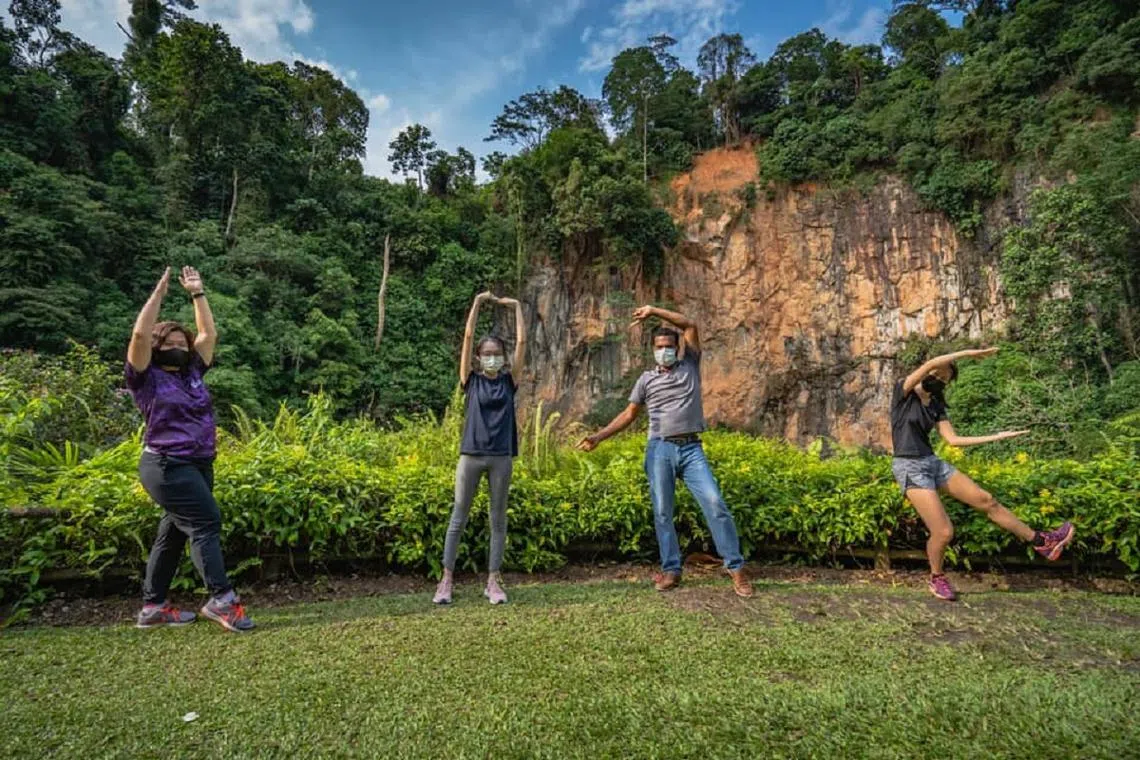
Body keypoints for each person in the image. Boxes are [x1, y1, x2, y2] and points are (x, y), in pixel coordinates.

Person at [577, 305, 753, 598]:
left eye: (669, 347)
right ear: (653, 350)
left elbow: (690, 324)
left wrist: (654, 311)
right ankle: (671, 569)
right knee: (662, 512)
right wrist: (599, 436)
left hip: (691, 449)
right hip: (659, 449)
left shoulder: (689, 365)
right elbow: (629, 414)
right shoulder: (646, 380)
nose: (664, 351)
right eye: (659, 347)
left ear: (676, 348)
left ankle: (736, 568)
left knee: (715, 502)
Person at [890, 347, 1075, 601]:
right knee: (943, 532)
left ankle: (1043, 542)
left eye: (944, 380)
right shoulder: (903, 392)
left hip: (932, 462)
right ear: (928, 370)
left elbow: (953, 440)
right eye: (938, 374)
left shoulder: (935, 404)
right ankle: (936, 577)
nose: (939, 380)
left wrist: (997, 437)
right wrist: (969, 354)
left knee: (987, 500)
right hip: (909, 466)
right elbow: (932, 362)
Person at [126, 267, 254, 632]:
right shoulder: (144, 377)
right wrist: (158, 296)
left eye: (184, 344)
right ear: (156, 348)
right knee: (206, 521)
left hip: (198, 464)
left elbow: (208, 334)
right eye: (171, 343)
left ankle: (153, 607)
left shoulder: (193, 372)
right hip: (166, 465)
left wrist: (198, 293)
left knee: (173, 533)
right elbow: (139, 334)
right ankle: (222, 600)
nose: (180, 348)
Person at [433, 291, 527, 606]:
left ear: (503, 357)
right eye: (486, 353)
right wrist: (476, 302)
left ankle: (493, 581)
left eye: (496, 353)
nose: (491, 358)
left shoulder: (509, 381)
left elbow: (522, 342)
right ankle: (446, 580)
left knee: (498, 519)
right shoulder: (470, 380)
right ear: (478, 357)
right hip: (471, 456)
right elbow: (468, 335)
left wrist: (516, 307)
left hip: (501, 457)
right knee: (458, 516)